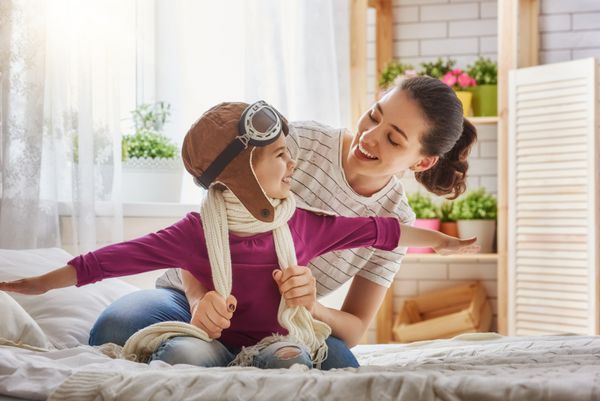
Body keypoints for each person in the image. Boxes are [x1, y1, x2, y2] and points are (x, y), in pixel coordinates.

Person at [0, 99, 478, 370]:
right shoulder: (298, 140)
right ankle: (208, 350)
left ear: (422, 161)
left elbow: (381, 241)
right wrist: (201, 299)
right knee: (113, 327)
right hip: (187, 301)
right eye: (374, 114)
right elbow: (174, 231)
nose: (369, 137)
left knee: (339, 366)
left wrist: (309, 305)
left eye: (394, 138)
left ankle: (238, 355)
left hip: (282, 322)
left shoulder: (315, 225)